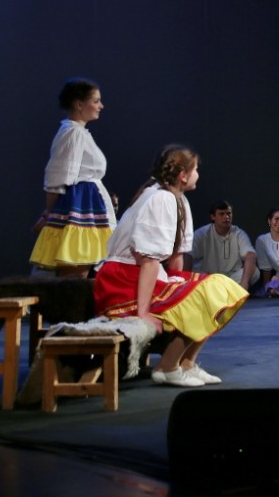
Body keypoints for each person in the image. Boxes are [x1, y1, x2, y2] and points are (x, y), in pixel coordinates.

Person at [93, 145, 248, 387]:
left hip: (144, 275)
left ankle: (186, 363)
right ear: (183, 175)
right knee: (207, 292)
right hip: (122, 280)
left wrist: (186, 288)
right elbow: (149, 260)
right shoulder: (161, 197)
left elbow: (176, 256)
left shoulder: (177, 199)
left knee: (218, 288)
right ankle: (167, 366)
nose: (198, 174)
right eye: (195, 169)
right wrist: (143, 312)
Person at [30, 78, 117, 276]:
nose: (101, 106)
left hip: (88, 205)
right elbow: (57, 177)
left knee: (82, 271)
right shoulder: (72, 133)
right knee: (75, 273)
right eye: (96, 101)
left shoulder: (79, 133)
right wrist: (50, 215)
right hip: (79, 207)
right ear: (79, 104)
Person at [190, 201, 260, 292]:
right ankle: (226, 291)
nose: (226, 217)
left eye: (228, 213)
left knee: (255, 272)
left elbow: (250, 256)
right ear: (213, 217)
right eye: (221, 214)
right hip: (209, 277)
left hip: (232, 277)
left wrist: (244, 282)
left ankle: (217, 291)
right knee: (191, 270)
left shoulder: (238, 233)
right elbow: (188, 256)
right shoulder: (202, 233)